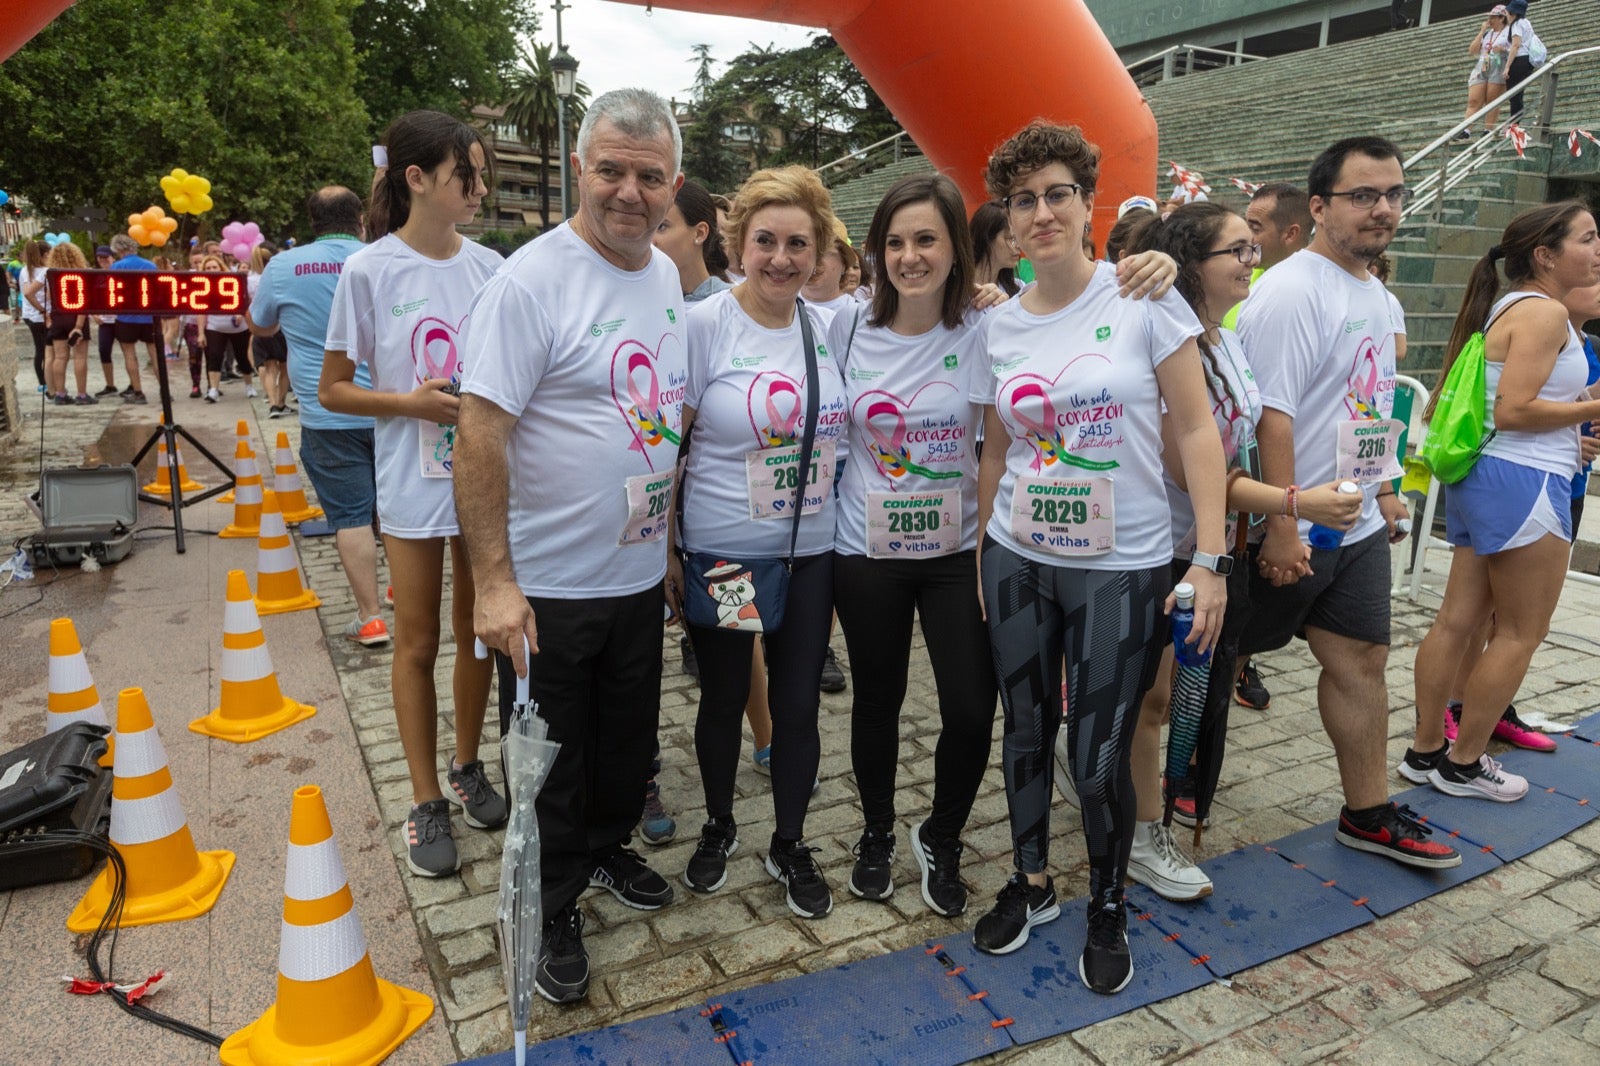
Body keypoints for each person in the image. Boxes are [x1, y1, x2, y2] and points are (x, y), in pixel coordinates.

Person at [971, 121, 1229, 995]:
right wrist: (981, 553)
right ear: (1006, 221)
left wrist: (1212, 562)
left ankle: (1107, 899)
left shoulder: (1145, 297)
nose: (1040, 213)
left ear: (1088, 204)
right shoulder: (997, 326)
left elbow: (1196, 428)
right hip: (1017, 551)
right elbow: (998, 451)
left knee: (1099, 750)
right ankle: (1033, 880)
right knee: (1027, 726)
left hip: (1122, 560)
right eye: (1023, 200)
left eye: (1057, 194)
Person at [455, 87, 686, 1005]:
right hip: (545, 586)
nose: (630, 192)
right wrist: (493, 582)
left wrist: (664, 548)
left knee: (623, 747)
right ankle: (548, 906)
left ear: (674, 184)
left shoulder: (663, 273)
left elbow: (657, 416)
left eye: (650, 176)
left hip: (633, 572)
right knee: (548, 761)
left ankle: (602, 851)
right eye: (613, 170)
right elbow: (479, 433)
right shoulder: (530, 280)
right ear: (579, 169)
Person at [1120, 203, 1363, 901]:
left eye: (1254, 250)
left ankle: (1130, 800)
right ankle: (1139, 830)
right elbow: (1185, 466)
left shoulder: (1223, 339)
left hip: (1209, 546)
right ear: (1192, 263)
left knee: (1169, 696)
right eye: (1237, 251)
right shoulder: (1169, 343)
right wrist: (1296, 503)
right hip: (1158, 547)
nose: (1252, 262)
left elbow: (1241, 440)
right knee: (1151, 699)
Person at [1237, 137, 1461, 869]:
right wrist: (1280, 525)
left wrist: (1387, 488)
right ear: (1322, 207)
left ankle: (1365, 812)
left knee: (1362, 657)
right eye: (1364, 195)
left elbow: (1367, 403)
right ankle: (1151, 793)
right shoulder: (1292, 289)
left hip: (1354, 520)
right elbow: (1272, 416)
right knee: (1204, 664)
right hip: (1292, 524)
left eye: (1394, 193)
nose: (1384, 208)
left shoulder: (1374, 291)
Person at [322, 110, 507, 877]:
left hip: (482, 484)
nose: (481, 187)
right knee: (417, 640)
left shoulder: (493, 268)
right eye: (469, 172)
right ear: (418, 179)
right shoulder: (369, 271)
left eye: (484, 173)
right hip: (409, 484)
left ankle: (467, 766)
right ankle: (424, 796)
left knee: (478, 633)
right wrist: (408, 403)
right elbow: (333, 390)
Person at [665, 164, 846, 921]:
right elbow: (669, 442)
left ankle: (791, 841)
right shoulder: (703, 326)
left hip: (810, 552)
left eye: (797, 244)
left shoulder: (832, 325)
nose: (781, 258)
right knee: (728, 694)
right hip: (730, 552)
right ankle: (718, 825)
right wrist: (668, 551)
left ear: (819, 250)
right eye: (765, 241)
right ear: (737, 244)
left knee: (799, 703)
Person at [829, 173, 999, 917]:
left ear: (955, 247)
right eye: (894, 242)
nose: (909, 256)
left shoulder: (988, 328)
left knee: (969, 707)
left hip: (957, 553)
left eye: (926, 239)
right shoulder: (844, 326)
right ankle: (874, 832)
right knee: (878, 701)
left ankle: (942, 833)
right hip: (865, 553)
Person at [1404, 202, 1600, 801]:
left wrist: (1584, 397)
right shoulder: (1544, 313)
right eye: (1589, 239)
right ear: (1545, 255)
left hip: (1488, 478)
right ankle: (1464, 764)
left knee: (1456, 620)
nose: (1598, 251)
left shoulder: (1516, 306)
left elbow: (1514, 402)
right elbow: (1516, 411)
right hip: (1525, 481)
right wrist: (1593, 408)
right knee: (1519, 632)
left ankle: (1425, 751)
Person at [247, 187, 390, 649]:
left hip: (329, 413)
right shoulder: (382, 257)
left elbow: (261, 325)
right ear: (360, 220)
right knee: (395, 511)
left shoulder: (283, 266)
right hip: (393, 409)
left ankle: (370, 618)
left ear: (312, 221)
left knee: (349, 516)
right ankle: (401, 591)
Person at [1225, 182, 1313, 714]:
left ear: (1292, 232)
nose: (1247, 239)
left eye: (1255, 228)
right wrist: (1279, 521)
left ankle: (1241, 660)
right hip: (1248, 500)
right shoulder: (1249, 293)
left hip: (1296, 500)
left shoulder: (1296, 293)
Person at [195, 252, 256, 402]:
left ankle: (249, 385)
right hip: (215, 326)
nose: (211, 270)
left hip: (238, 327)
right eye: (208, 267)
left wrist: (242, 314)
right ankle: (213, 390)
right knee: (214, 356)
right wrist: (201, 333)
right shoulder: (202, 286)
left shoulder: (233, 281)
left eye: (214, 266)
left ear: (221, 267)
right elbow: (201, 311)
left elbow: (247, 301)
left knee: (242, 357)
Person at [107, 234, 155, 404]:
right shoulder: (150, 265)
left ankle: (138, 392)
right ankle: (164, 390)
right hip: (149, 317)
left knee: (130, 354)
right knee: (155, 354)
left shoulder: (116, 267)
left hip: (126, 316)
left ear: (119, 249)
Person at [44, 242, 94, 405]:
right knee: (80, 357)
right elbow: (84, 302)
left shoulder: (52, 276)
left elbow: (49, 298)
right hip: (76, 317)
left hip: (58, 318)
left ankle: (60, 394)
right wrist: (78, 326)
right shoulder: (82, 274)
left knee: (60, 357)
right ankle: (81, 394)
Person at [1454, 6, 1512, 140]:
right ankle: (1466, 130)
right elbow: (1472, 50)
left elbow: (1516, 47)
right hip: (1483, 63)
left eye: (1493, 17)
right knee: (1474, 100)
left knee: (1492, 100)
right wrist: (1482, 31)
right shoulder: (1487, 33)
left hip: (1498, 64)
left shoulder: (1509, 32)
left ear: (1501, 18)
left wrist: (1503, 49)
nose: (1489, 20)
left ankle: (1488, 129)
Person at [248, 244, 293, 416]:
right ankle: (281, 403)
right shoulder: (279, 276)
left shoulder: (250, 279)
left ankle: (272, 404)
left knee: (268, 367)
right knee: (284, 367)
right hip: (280, 325)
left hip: (261, 325)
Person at [800, 218, 861, 324]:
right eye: (803, 249)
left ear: (843, 265)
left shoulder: (860, 316)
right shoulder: (777, 307)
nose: (812, 260)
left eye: (823, 251)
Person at [1503, 0, 1546, 121]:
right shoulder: (1526, 22)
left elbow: (1516, 46)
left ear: (1513, 13)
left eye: (1507, 12)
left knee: (1514, 95)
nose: (1506, 15)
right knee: (1518, 94)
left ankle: (1514, 125)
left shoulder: (1516, 25)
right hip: (1527, 61)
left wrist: (1507, 67)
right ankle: (1516, 124)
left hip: (1519, 60)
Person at [970, 202, 1022, 296]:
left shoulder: (1019, 288)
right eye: (1011, 238)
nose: (1018, 246)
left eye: (1018, 239)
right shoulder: (953, 289)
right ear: (987, 238)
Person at [20, 240, 49, 394]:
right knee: (49, 351)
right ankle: (48, 381)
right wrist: (42, 309)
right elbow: (29, 293)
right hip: (42, 315)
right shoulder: (45, 271)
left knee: (39, 349)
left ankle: (42, 383)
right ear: (45, 254)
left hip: (29, 315)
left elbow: (26, 292)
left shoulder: (25, 270)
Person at [91, 246, 120, 397]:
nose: (103, 260)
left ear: (112, 257)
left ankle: (134, 385)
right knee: (104, 351)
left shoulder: (119, 272)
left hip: (120, 319)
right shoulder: (97, 276)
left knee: (128, 351)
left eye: (105, 257)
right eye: (100, 258)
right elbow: (89, 298)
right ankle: (110, 384)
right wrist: (94, 314)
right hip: (105, 321)